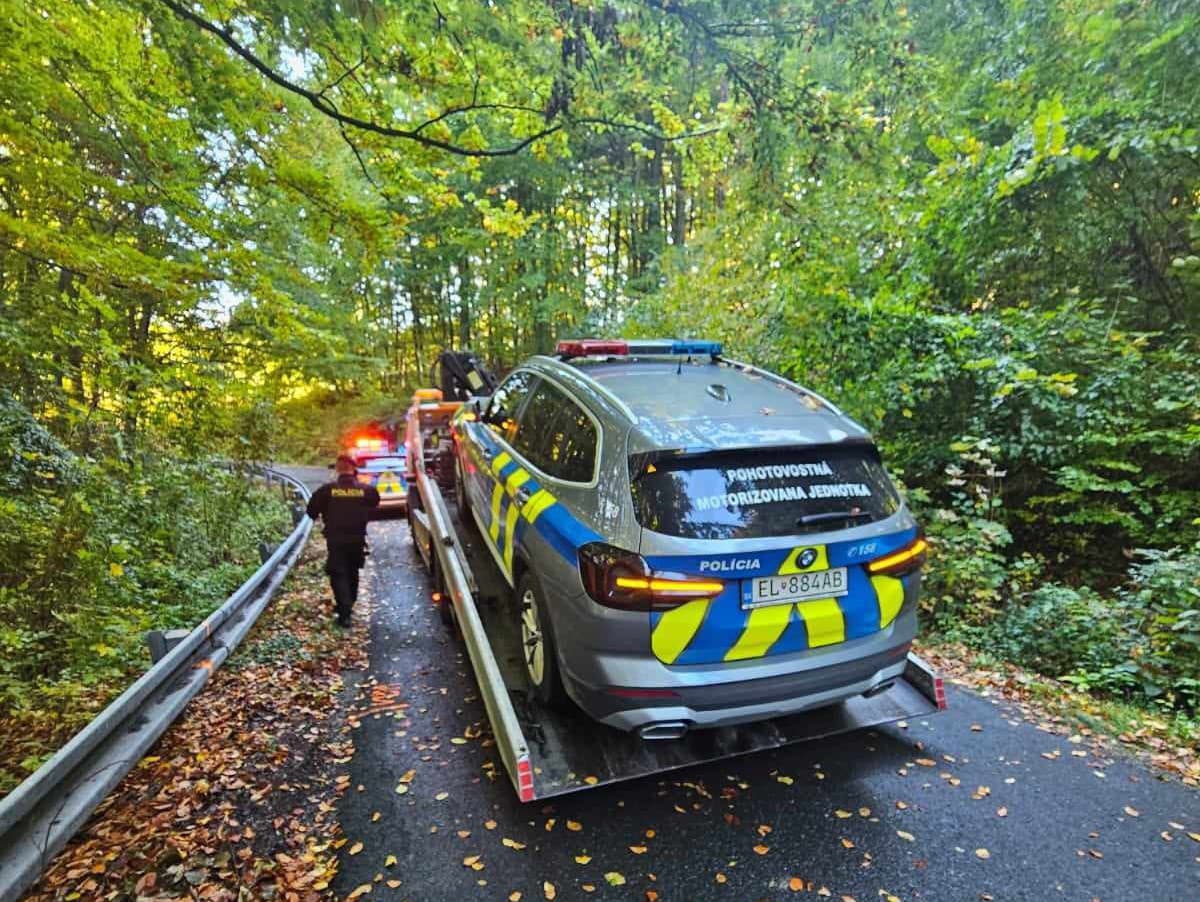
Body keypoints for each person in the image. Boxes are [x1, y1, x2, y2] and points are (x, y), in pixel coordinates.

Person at [306, 455, 379, 626]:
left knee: (338, 573)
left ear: (337, 469)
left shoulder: (326, 491)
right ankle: (349, 605)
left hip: (336, 540)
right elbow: (375, 503)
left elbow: (311, 512)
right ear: (354, 469)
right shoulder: (365, 490)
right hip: (357, 539)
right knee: (352, 572)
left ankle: (344, 612)